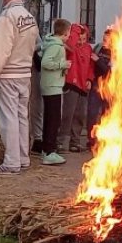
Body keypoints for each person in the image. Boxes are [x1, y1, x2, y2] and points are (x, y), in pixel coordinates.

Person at [0, 0, 40, 175]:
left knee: (8, 118)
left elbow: (1, 48)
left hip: (8, 74)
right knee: (22, 117)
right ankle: (24, 158)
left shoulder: (7, 17)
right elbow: (36, 45)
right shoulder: (30, 17)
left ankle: (12, 162)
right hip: (25, 73)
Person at [37, 18, 71, 166]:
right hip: (52, 87)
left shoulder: (52, 43)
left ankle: (47, 149)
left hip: (51, 85)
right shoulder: (56, 46)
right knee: (54, 119)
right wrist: (62, 64)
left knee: (50, 118)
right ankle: (50, 152)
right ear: (65, 32)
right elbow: (45, 63)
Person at [59, 24, 93, 154]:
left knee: (80, 115)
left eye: (84, 39)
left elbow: (90, 66)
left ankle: (75, 141)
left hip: (83, 86)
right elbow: (71, 43)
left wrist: (89, 79)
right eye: (79, 39)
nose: (81, 42)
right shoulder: (70, 48)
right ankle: (61, 141)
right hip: (72, 84)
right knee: (68, 114)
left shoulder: (88, 49)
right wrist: (76, 29)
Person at [87, 27, 114, 149]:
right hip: (96, 84)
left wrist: (98, 61)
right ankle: (91, 139)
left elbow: (110, 71)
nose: (104, 41)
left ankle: (104, 140)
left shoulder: (116, 52)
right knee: (92, 112)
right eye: (104, 38)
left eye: (107, 39)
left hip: (109, 86)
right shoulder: (98, 48)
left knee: (106, 114)